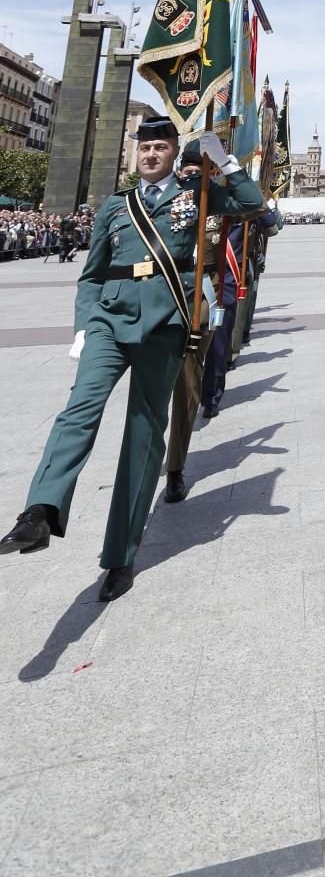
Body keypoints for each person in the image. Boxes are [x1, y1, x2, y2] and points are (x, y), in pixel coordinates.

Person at [0, 118, 263, 600]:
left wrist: (223, 161)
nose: (150, 155)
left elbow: (253, 205)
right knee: (79, 410)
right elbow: (92, 273)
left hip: (164, 326)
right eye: (144, 148)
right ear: (134, 155)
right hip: (108, 322)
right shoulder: (116, 207)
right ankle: (39, 512)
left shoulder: (197, 194)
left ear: (171, 154)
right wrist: (83, 325)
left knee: (143, 437)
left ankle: (120, 555)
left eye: (160, 148)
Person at [162, 140, 221, 502]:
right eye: (188, 169)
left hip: (200, 298)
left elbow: (260, 213)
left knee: (186, 385)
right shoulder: (156, 203)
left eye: (201, 171)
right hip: (156, 298)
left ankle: (174, 467)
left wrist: (228, 169)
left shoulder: (220, 204)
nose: (192, 175)